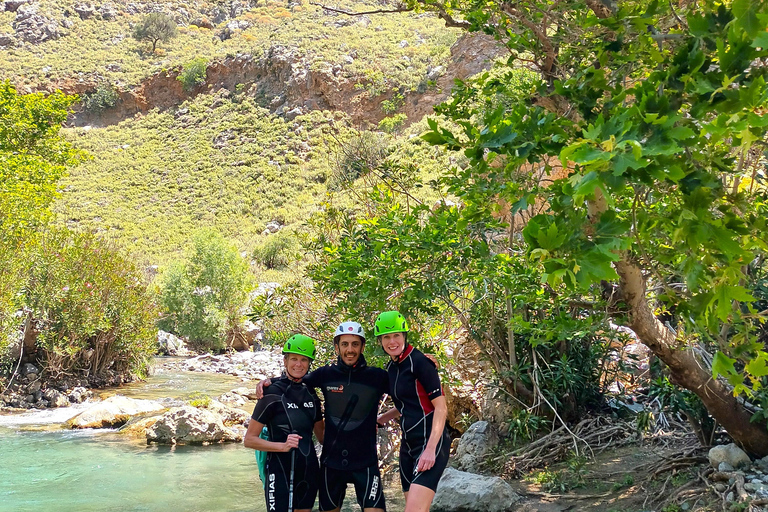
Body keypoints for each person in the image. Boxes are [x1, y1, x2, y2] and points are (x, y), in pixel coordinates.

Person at [258, 321, 389, 512]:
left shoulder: (377, 377)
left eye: (355, 344)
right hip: (331, 464)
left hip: (366, 463)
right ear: (337, 347)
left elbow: (409, 396)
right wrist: (270, 381)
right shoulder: (325, 375)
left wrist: (422, 363)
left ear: (362, 347)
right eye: (344, 344)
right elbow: (295, 379)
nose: (350, 349)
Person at [374, 311, 449, 512]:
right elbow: (405, 405)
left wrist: (430, 450)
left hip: (430, 442)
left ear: (404, 336)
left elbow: (441, 408)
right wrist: (380, 420)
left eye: (396, 335)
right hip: (408, 446)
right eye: (386, 337)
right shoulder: (391, 367)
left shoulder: (420, 362)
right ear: (380, 341)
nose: (392, 341)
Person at [244, 334, 325, 512]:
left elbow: (322, 438)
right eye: (294, 359)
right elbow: (249, 439)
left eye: (304, 360)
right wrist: (282, 446)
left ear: (309, 363)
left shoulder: (311, 394)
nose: (298, 364)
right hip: (279, 472)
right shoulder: (271, 394)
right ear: (285, 360)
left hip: (308, 471)